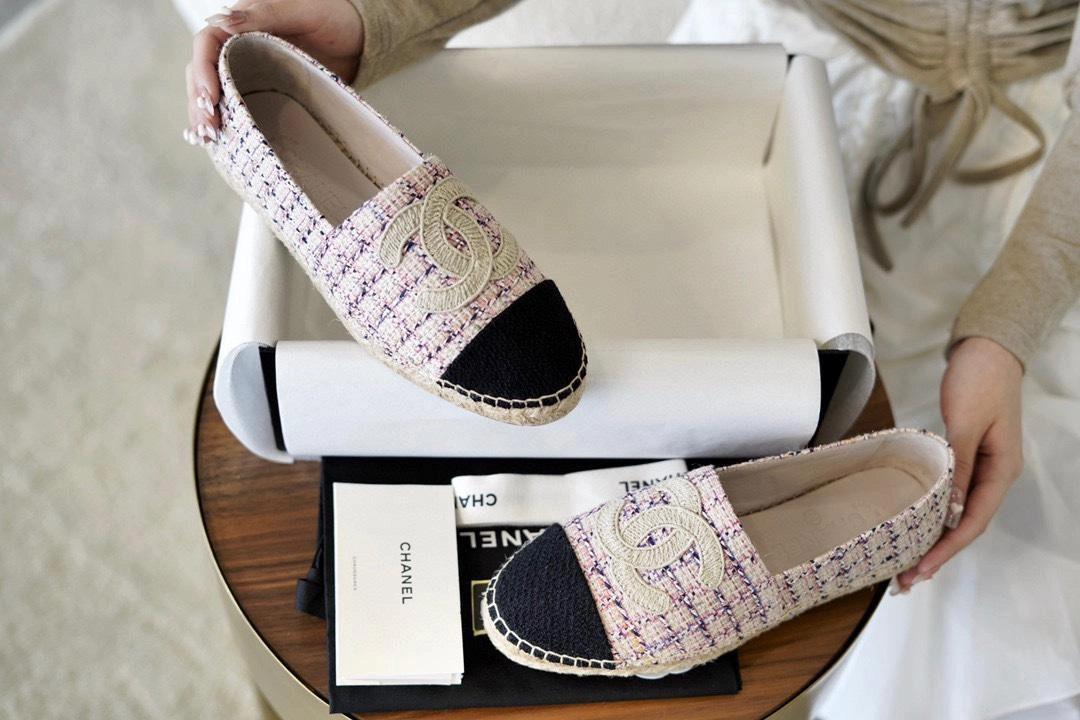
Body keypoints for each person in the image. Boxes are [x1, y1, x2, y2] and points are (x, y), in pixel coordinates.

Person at [183, 1, 1080, 716]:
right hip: (762, 80)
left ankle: (882, 511)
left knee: (967, 600)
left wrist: (1004, 332)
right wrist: (375, 17)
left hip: (1029, 186)